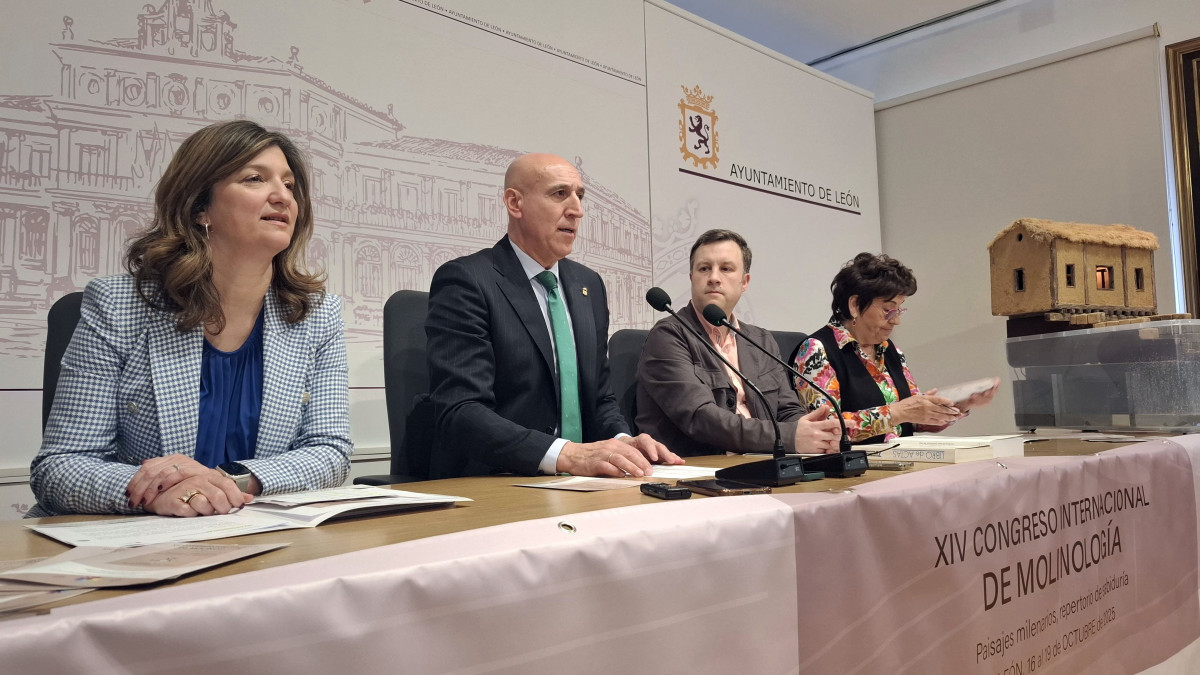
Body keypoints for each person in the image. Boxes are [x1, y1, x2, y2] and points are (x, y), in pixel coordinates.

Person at [29, 120, 352, 518]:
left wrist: (230, 481)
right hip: (135, 541)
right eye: (255, 179)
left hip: (255, 529)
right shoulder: (119, 305)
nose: (282, 196)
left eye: (289, 185)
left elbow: (330, 451)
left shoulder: (317, 316)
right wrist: (155, 491)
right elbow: (60, 467)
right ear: (200, 207)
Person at [426, 153, 683, 478]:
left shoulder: (588, 285)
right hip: (498, 481)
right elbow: (461, 411)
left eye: (579, 196)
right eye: (560, 194)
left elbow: (599, 396)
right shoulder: (467, 281)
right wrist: (565, 455)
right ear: (515, 203)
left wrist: (622, 441)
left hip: (582, 482)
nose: (577, 210)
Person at [635, 229, 840, 456]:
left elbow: (787, 410)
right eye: (704, 268)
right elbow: (701, 418)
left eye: (726, 268)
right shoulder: (669, 335)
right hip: (700, 470)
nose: (714, 277)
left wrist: (816, 432)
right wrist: (788, 438)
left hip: (765, 462)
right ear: (691, 277)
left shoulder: (760, 340)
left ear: (745, 282)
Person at [793, 252, 997, 444]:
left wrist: (959, 404)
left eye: (899, 310)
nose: (896, 320)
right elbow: (826, 428)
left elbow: (913, 419)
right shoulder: (816, 351)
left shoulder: (890, 350)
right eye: (888, 310)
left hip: (899, 461)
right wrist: (898, 412)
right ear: (855, 305)